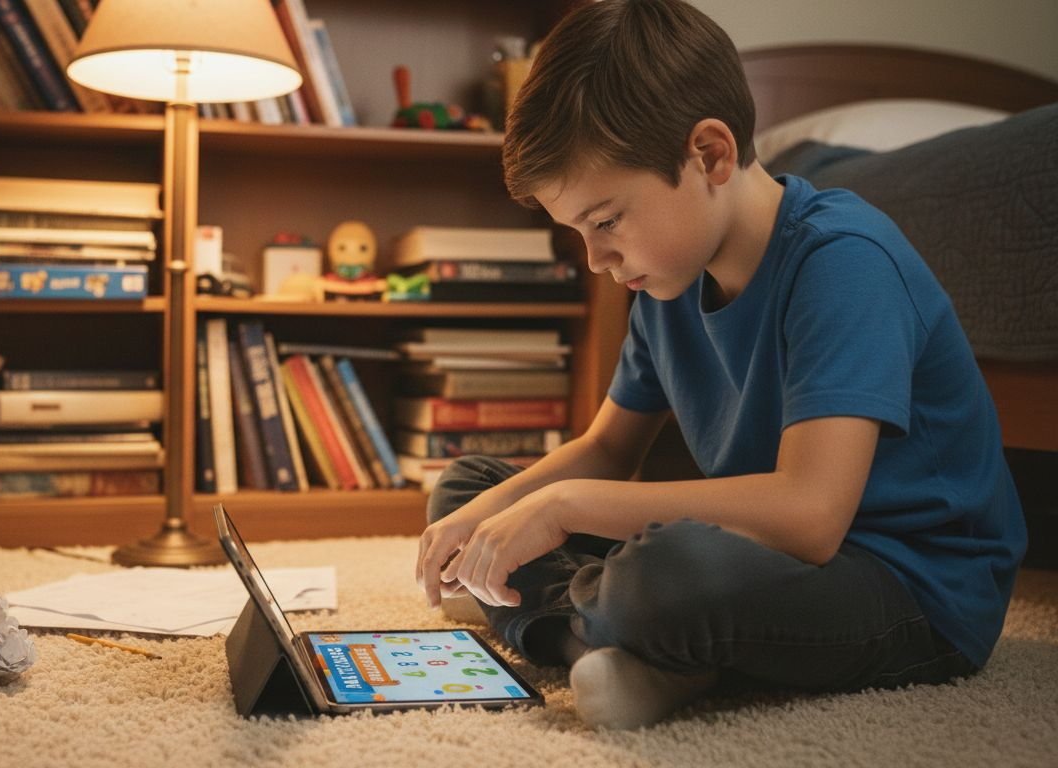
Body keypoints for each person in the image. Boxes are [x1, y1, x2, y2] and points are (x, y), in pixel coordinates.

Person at [415, 0, 1026, 730]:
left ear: (710, 154)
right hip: (765, 556)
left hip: (908, 587)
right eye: (579, 232)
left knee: (665, 573)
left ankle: (596, 629)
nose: (597, 260)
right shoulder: (668, 281)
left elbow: (810, 518)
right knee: (470, 488)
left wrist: (561, 509)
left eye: (606, 221)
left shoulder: (844, 260)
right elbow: (608, 450)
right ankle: (618, 645)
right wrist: (497, 513)